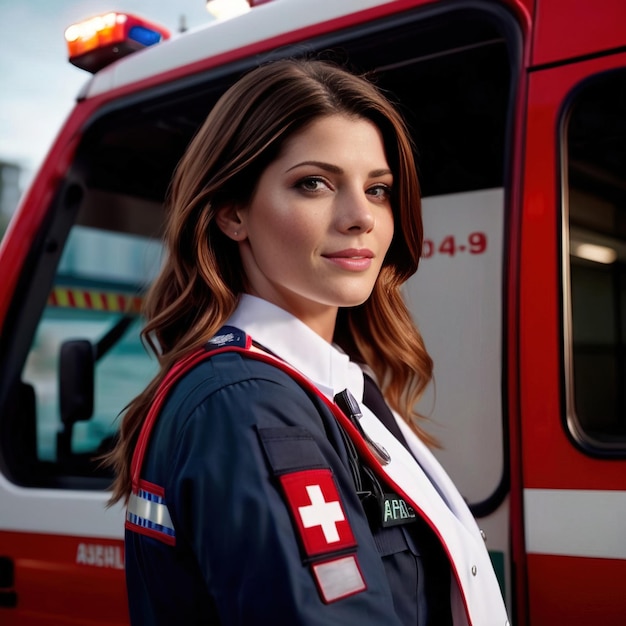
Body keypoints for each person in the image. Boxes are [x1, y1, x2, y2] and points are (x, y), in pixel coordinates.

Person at [107, 58, 509, 626]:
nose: (360, 218)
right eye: (314, 183)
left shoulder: (323, 385)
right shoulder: (248, 401)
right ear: (232, 212)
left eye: (377, 189)